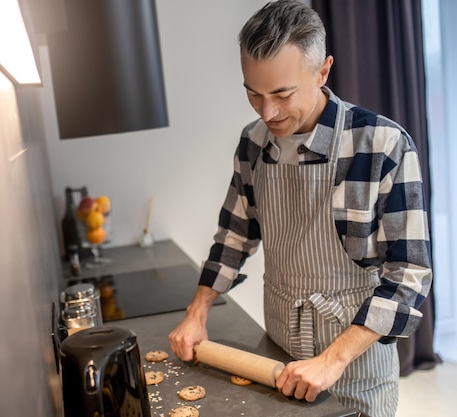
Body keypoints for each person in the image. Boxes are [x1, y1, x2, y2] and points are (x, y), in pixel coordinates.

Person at [168, 1, 432, 416]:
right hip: (279, 359)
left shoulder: (382, 146)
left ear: (323, 72)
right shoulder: (253, 143)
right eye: (253, 94)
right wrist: (196, 312)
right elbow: (235, 235)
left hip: (355, 366)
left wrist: (332, 360)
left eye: (282, 93)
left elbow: (409, 276)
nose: (267, 112)